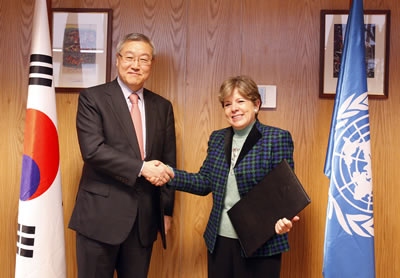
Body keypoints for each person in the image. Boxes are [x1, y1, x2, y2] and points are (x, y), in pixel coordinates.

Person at [154, 75, 299, 278]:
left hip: (261, 242)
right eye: (228, 104)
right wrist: (170, 174)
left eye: (241, 101)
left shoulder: (276, 138)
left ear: (256, 104)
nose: (234, 108)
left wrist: (282, 220)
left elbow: (285, 191)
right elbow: (204, 182)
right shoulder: (217, 138)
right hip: (220, 240)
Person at [68, 33, 176, 278]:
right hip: (99, 217)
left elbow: (169, 161)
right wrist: (142, 168)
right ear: (117, 60)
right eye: (129, 57)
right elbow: (93, 150)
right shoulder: (92, 98)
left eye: (143, 59)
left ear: (151, 64)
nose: (135, 65)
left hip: (144, 222)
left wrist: (166, 212)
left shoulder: (163, 107)